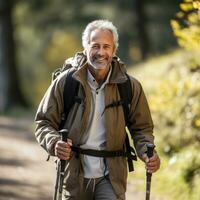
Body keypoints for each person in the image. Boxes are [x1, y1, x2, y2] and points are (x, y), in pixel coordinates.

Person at [35, 19, 160, 200]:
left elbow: (142, 128)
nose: (100, 52)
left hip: (111, 177)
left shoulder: (129, 86)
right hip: (73, 174)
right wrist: (54, 143)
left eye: (106, 47)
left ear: (114, 50)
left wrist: (147, 153)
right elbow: (43, 122)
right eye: (95, 46)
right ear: (85, 48)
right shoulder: (66, 81)